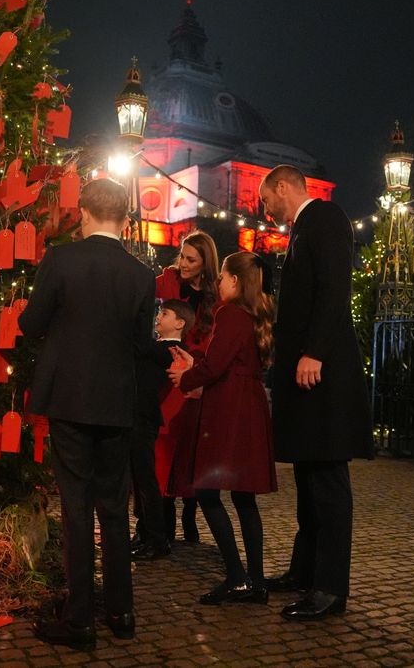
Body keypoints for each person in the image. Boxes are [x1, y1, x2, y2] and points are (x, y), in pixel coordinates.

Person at [18, 178, 155, 650]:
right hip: (117, 401)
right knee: (114, 506)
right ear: (125, 216)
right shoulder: (141, 274)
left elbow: (31, 325)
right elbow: (142, 344)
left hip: (70, 397)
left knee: (75, 506)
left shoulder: (61, 260)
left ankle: (79, 619)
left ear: (83, 212)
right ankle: (121, 610)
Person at [259, 164, 375, 621]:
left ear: (283, 187)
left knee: (326, 478)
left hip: (321, 374)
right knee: (309, 477)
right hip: (307, 373)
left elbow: (334, 290)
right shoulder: (304, 228)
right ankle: (303, 572)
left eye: (266, 199)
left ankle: (330, 587)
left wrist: (314, 352)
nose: (265, 209)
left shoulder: (324, 218)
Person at [168, 251, 277, 606]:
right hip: (246, 407)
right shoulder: (250, 316)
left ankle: (236, 576)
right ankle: (255, 580)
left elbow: (216, 367)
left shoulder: (230, 314)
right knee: (243, 497)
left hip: (229, 410)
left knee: (207, 490)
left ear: (234, 281)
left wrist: (188, 376)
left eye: (223, 276)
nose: (218, 282)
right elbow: (225, 361)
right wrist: (196, 362)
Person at [155, 231, 219, 542]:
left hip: (197, 380)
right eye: (182, 255)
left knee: (191, 453)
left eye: (191, 259)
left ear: (206, 264)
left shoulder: (216, 297)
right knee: (164, 452)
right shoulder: (169, 280)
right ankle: (164, 525)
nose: (183, 263)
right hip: (167, 380)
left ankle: (189, 518)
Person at [129, 299, 194, 560]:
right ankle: (146, 535)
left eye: (164, 314)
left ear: (179, 323)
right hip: (139, 416)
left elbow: (139, 347)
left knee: (146, 481)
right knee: (140, 480)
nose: (159, 317)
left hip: (142, 418)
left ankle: (157, 540)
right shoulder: (161, 349)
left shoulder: (171, 349)